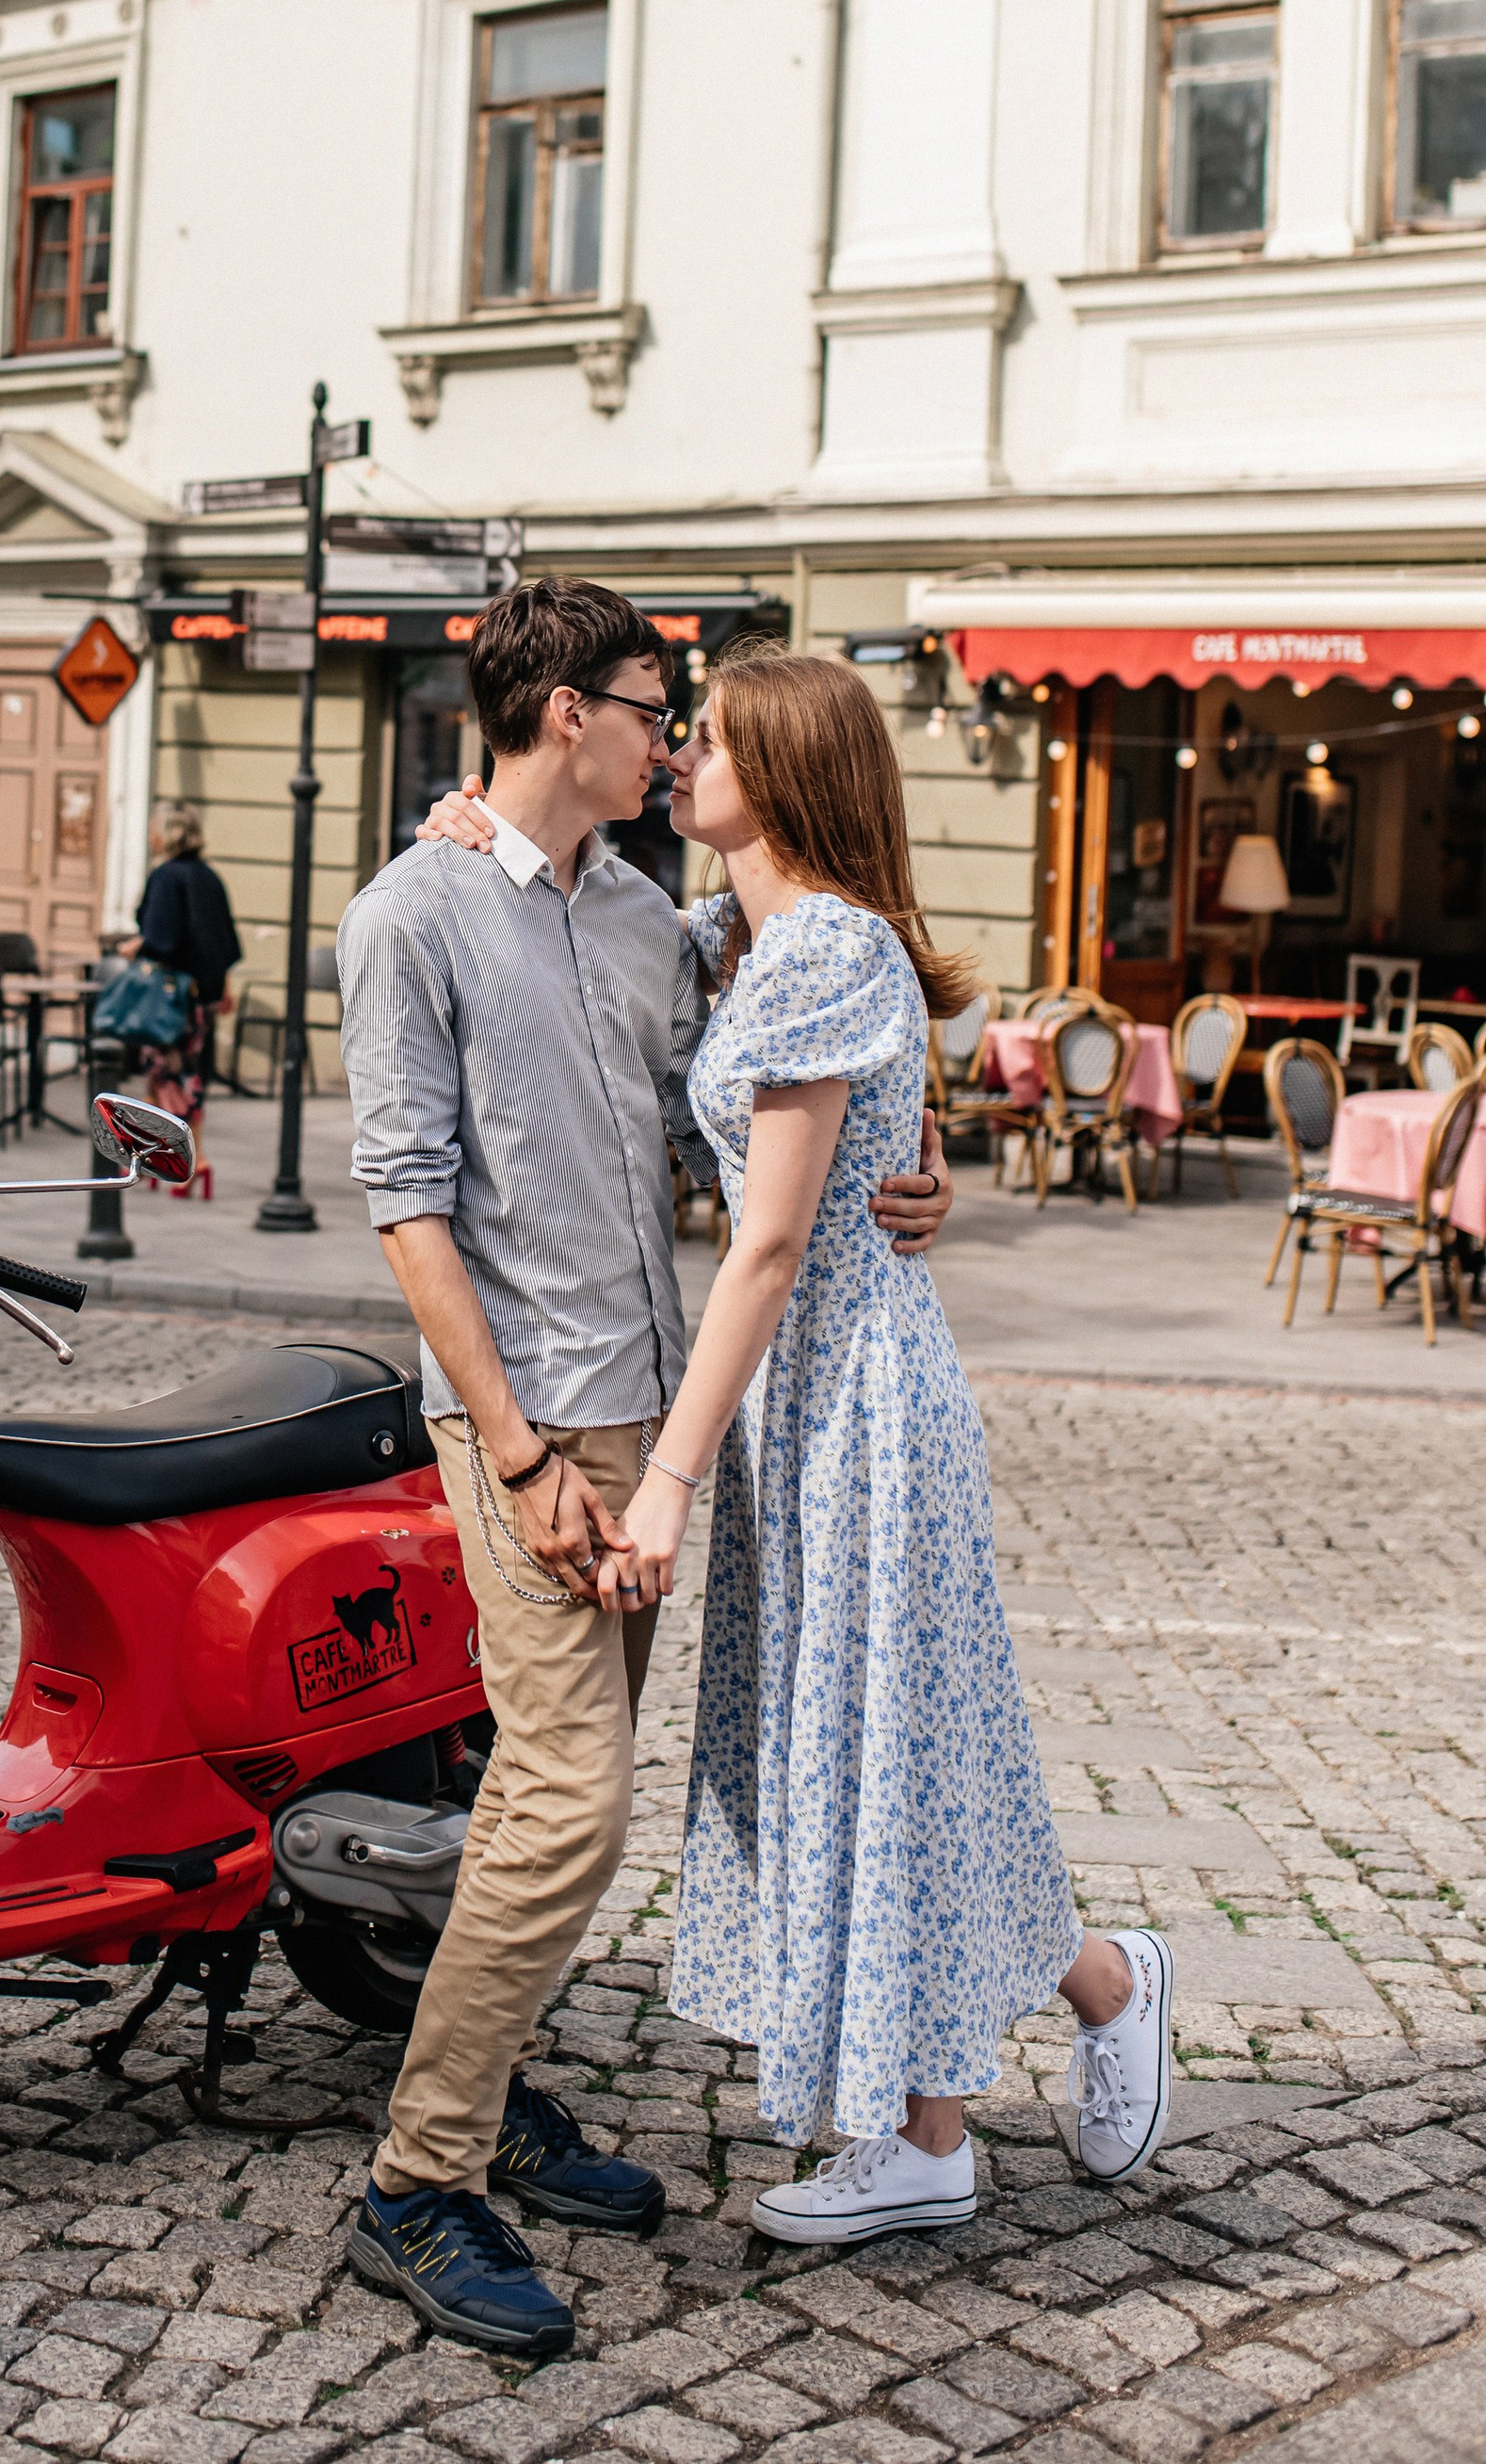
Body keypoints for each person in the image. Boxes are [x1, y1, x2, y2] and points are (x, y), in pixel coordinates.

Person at [427, 638, 1171, 2253]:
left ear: (789, 771)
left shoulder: (822, 949)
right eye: (672, 729)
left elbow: (765, 1248)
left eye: (712, 737)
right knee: (879, 1750)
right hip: (800, 1394)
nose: (681, 753)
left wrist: (674, 1479)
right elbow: (584, 902)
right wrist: (472, 824)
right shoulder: (739, 935)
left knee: (895, 1744)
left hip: (853, 1398)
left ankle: (1046, 2034)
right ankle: (949, 2117)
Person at [335, 580, 954, 2362]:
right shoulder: (411, 917)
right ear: (556, 721)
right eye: (644, 701)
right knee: (566, 1806)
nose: (669, 732)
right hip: (529, 1429)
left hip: (654, 1416)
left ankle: (499, 2093)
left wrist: (923, 1177)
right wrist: (520, 1452)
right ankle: (418, 2178)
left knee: (565, 1805)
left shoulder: (645, 921)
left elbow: (818, 1056)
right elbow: (407, 1210)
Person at [122, 802, 240, 1129]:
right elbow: (224, 939)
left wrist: (137, 945)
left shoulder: (166, 877)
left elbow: (163, 940)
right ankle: (192, 1159)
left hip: (169, 1000)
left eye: (153, 830)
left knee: (167, 1076)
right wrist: (225, 986)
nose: (150, 837)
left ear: (164, 834)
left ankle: (175, 1158)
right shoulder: (209, 877)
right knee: (190, 1071)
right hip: (202, 997)